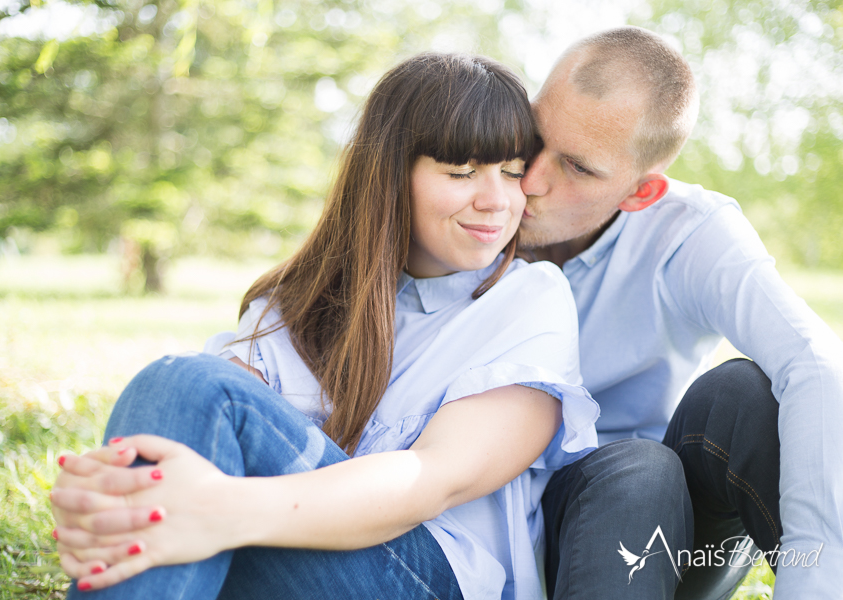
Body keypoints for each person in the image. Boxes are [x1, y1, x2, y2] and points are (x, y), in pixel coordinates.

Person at [49, 52, 601, 600]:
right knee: (178, 387)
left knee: (183, 394)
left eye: (511, 172)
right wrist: (108, 502)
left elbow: (434, 479)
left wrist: (215, 508)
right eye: (461, 172)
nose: (497, 201)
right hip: (289, 555)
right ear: (388, 175)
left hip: (426, 579)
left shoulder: (527, 300)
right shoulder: (296, 301)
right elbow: (204, 422)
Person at [517, 26, 843, 599]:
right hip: (494, 512)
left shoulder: (686, 231)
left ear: (641, 193)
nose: (531, 179)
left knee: (736, 399)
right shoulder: (465, 202)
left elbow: (813, 359)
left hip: (653, 538)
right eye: (533, 136)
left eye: (578, 168)